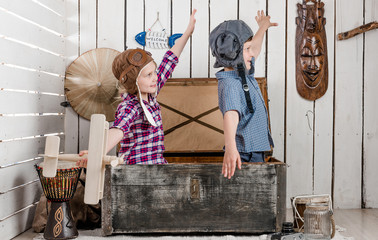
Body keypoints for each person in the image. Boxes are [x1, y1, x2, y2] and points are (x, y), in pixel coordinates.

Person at [77, 9, 196, 166]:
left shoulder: (151, 93)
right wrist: (97, 152)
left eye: (154, 72)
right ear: (134, 82)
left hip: (158, 166)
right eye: (148, 75)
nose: (155, 77)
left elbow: (170, 60)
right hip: (137, 173)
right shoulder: (130, 106)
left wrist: (188, 31)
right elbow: (118, 130)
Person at [209, 10, 277, 179]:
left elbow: (255, 48)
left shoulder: (243, 73)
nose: (252, 53)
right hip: (244, 153)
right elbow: (231, 115)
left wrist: (262, 28)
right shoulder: (231, 84)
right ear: (234, 55)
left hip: (254, 150)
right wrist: (231, 148)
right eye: (247, 49)